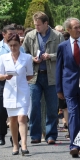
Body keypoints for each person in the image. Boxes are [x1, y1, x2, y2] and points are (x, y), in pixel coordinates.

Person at [22, 12, 62, 144]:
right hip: (35, 76)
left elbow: (63, 54)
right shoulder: (30, 35)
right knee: (34, 106)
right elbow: (24, 52)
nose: (36, 27)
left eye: (39, 25)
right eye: (35, 25)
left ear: (46, 23)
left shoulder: (58, 36)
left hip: (51, 76)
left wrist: (50, 56)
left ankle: (51, 135)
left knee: (52, 106)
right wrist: (31, 58)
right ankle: (35, 135)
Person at [56, 18, 80, 158]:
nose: (79, 30)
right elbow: (59, 68)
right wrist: (59, 89)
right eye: (76, 27)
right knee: (73, 113)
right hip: (69, 86)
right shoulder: (62, 46)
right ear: (68, 30)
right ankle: (74, 145)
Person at [0, 33, 34, 156]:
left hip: (23, 91)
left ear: (20, 44)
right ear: (8, 45)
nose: (13, 48)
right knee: (12, 119)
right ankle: (15, 144)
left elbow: (30, 74)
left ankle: (24, 144)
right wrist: (5, 77)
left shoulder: (27, 58)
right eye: (11, 45)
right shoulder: (3, 58)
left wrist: (21, 79)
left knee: (22, 117)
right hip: (10, 92)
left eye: (16, 45)